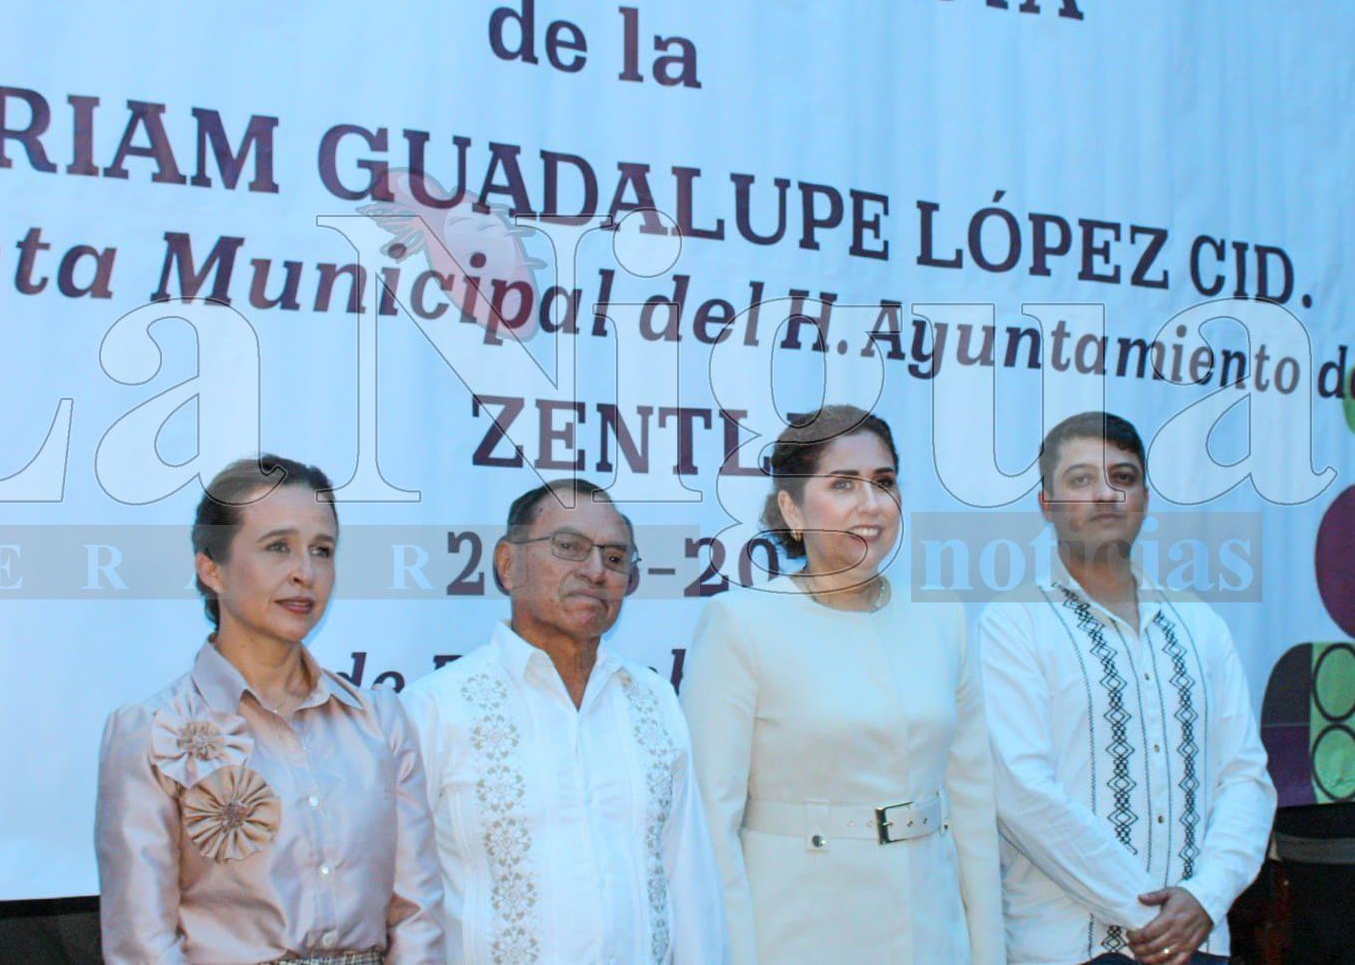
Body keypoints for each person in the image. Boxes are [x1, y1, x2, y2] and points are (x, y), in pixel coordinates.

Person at [681, 405, 1005, 964]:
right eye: (842, 484)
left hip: (931, 933)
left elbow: (973, 808)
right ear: (792, 508)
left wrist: (987, 952)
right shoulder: (741, 623)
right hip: (797, 931)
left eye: (884, 483)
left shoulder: (941, 617)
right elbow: (711, 829)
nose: (871, 504)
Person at [94, 455, 444, 965]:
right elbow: (142, 941)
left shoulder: (379, 723)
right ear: (211, 568)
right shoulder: (151, 731)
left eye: (321, 551)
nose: (305, 573)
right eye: (278, 547)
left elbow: (417, 914)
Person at [977, 412, 1276, 965]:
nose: (1106, 494)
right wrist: (1152, 917)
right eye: (1080, 479)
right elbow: (1020, 791)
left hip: (1199, 941)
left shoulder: (1200, 624)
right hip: (1068, 946)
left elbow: (1244, 778)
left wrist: (1205, 897)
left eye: (1124, 476)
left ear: (1144, 497)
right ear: (1047, 504)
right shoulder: (1014, 621)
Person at [400, 478, 726, 964]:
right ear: (509, 565)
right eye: (569, 548)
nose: (595, 570)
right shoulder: (436, 709)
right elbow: (400, 901)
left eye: (615, 558)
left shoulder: (654, 701)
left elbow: (689, 883)